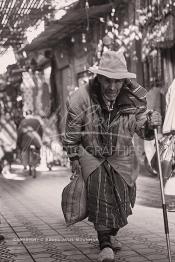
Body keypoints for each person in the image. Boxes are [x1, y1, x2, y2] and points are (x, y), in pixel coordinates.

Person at [63, 50, 161, 262]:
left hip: (122, 155)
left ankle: (112, 233)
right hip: (93, 155)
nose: (113, 87)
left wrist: (152, 124)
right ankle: (105, 243)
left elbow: (143, 131)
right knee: (100, 196)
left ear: (124, 81)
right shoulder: (81, 98)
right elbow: (72, 132)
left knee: (124, 199)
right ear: (99, 78)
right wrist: (73, 158)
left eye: (118, 82)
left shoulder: (134, 99)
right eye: (108, 81)